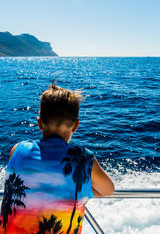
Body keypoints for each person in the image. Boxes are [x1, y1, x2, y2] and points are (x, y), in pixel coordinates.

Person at [0, 82, 115, 234]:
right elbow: (108, 190)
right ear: (75, 126)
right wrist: (84, 190)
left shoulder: (17, 149)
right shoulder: (83, 158)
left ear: (39, 123)